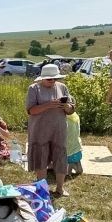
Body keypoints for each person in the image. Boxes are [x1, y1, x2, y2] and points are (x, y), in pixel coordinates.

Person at [26, 64, 75, 197]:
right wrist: (48, 105)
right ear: (42, 78)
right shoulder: (34, 88)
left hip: (58, 129)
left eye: (54, 78)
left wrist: (66, 106)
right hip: (39, 130)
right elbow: (31, 110)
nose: (52, 81)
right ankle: (42, 189)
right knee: (41, 158)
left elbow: (71, 110)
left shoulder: (62, 87)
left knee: (60, 157)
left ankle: (60, 188)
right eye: (49, 79)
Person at [66, 112, 83, 176]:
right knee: (79, 169)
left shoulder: (65, 119)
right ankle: (76, 167)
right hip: (77, 149)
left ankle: (71, 166)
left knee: (67, 173)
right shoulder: (75, 115)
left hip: (69, 151)